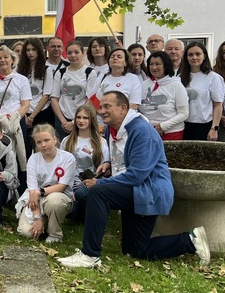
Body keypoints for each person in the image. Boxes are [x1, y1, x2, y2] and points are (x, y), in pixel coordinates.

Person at [58, 91, 210, 268]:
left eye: (107, 106)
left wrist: (100, 183)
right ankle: (190, 240)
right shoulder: (110, 128)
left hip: (148, 191)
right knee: (134, 250)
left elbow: (138, 174)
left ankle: (90, 255)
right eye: (100, 107)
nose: (101, 111)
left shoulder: (141, 131)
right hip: (133, 190)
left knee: (98, 192)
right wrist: (107, 163)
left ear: (123, 108)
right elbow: (119, 158)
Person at [16, 123, 75, 242]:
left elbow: (62, 186)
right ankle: (44, 221)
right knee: (26, 232)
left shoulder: (68, 158)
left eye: (46, 140)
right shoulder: (33, 159)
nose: (43, 145)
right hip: (37, 199)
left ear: (55, 139)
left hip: (59, 196)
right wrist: (37, 218)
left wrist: (40, 191)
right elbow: (32, 192)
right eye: (39, 142)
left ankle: (55, 234)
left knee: (54, 202)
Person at [0, 45, 31, 186]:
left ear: (12, 59)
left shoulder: (21, 80)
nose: (3, 60)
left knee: (18, 155)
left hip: (16, 123)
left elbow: (25, 104)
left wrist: (13, 118)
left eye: (6, 57)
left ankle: (19, 187)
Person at [60, 104, 109, 223]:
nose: (81, 121)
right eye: (78, 117)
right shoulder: (66, 141)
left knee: (82, 195)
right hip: (69, 186)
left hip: (89, 187)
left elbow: (104, 169)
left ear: (92, 120)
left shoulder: (100, 142)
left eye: (85, 118)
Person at [50, 40, 99, 141]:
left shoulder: (89, 72)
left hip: (83, 119)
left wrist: (73, 122)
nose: (73, 55)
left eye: (76, 52)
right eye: (69, 53)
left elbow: (90, 99)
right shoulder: (61, 72)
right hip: (62, 120)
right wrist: (64, 122)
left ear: (83, 53)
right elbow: (54, 98)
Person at [139, 51, 189, 140]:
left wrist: (163, 126)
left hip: (171, 133)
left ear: (166, 65)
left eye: (158, 64)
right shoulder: (144, 84)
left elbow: (184, 113)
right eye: (151, 64)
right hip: (147, 131)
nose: (154, 67)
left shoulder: (176, 85)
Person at [180, 42, 224, 141]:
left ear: (204, 56)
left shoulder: (213, 77)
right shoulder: (180, 78)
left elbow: (218, 105)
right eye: (190, 55)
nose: (194, 57)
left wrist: (214, 128)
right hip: (183, 126)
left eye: (198, 54)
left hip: (204, 126)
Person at [18, 38, 52, 142]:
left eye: (33, 49)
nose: (30, 53)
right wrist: (24, 116)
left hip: (41, 112)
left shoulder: (47, 69)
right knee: (25, 145)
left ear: (39, 51)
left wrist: (32, 117)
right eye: (28, 50)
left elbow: (46, 95)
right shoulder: (18, 69)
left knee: (42, 144)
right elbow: (17, 94)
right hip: (23, 113)